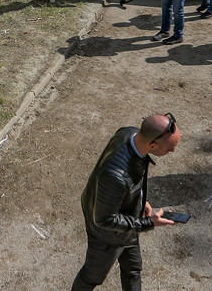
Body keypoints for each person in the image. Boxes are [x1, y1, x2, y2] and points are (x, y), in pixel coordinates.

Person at [72, 114, 180, 291]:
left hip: (127, 221)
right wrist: (148, 223)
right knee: (92, 276)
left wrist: (140, 199)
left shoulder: (130, 134)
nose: (173, 151)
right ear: (152, 145)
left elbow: (132, 179)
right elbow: (104, 219)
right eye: (170, 149)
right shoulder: (116, 177)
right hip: (106, 233)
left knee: (133, 270)